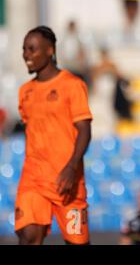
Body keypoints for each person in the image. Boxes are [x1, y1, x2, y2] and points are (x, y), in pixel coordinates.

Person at [15, 26, 93, 245]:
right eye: (24, 50)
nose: (26, 55)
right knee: (28, 236)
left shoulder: (72, 85)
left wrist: (71, 167)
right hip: (33, 180)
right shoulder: (25, 92)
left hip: (66, 181)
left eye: (32, 49)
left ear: (50, 51)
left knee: (77, 243)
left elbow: (84, 130)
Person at [59, 20, 91, 87]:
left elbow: (82, 52)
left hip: (77, 67)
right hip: (69, 67)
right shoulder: (65, 40)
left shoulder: (78, 39)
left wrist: (82, 62)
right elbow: (62, 54)